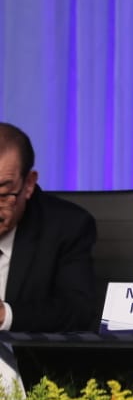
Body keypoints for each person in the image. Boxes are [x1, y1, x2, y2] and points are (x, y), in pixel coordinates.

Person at [0, 123, 98, 332]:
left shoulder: (67, 227)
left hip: (23, 360)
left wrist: (5, 315)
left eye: (3, 195)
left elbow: (77, 311)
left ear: (28, 184)